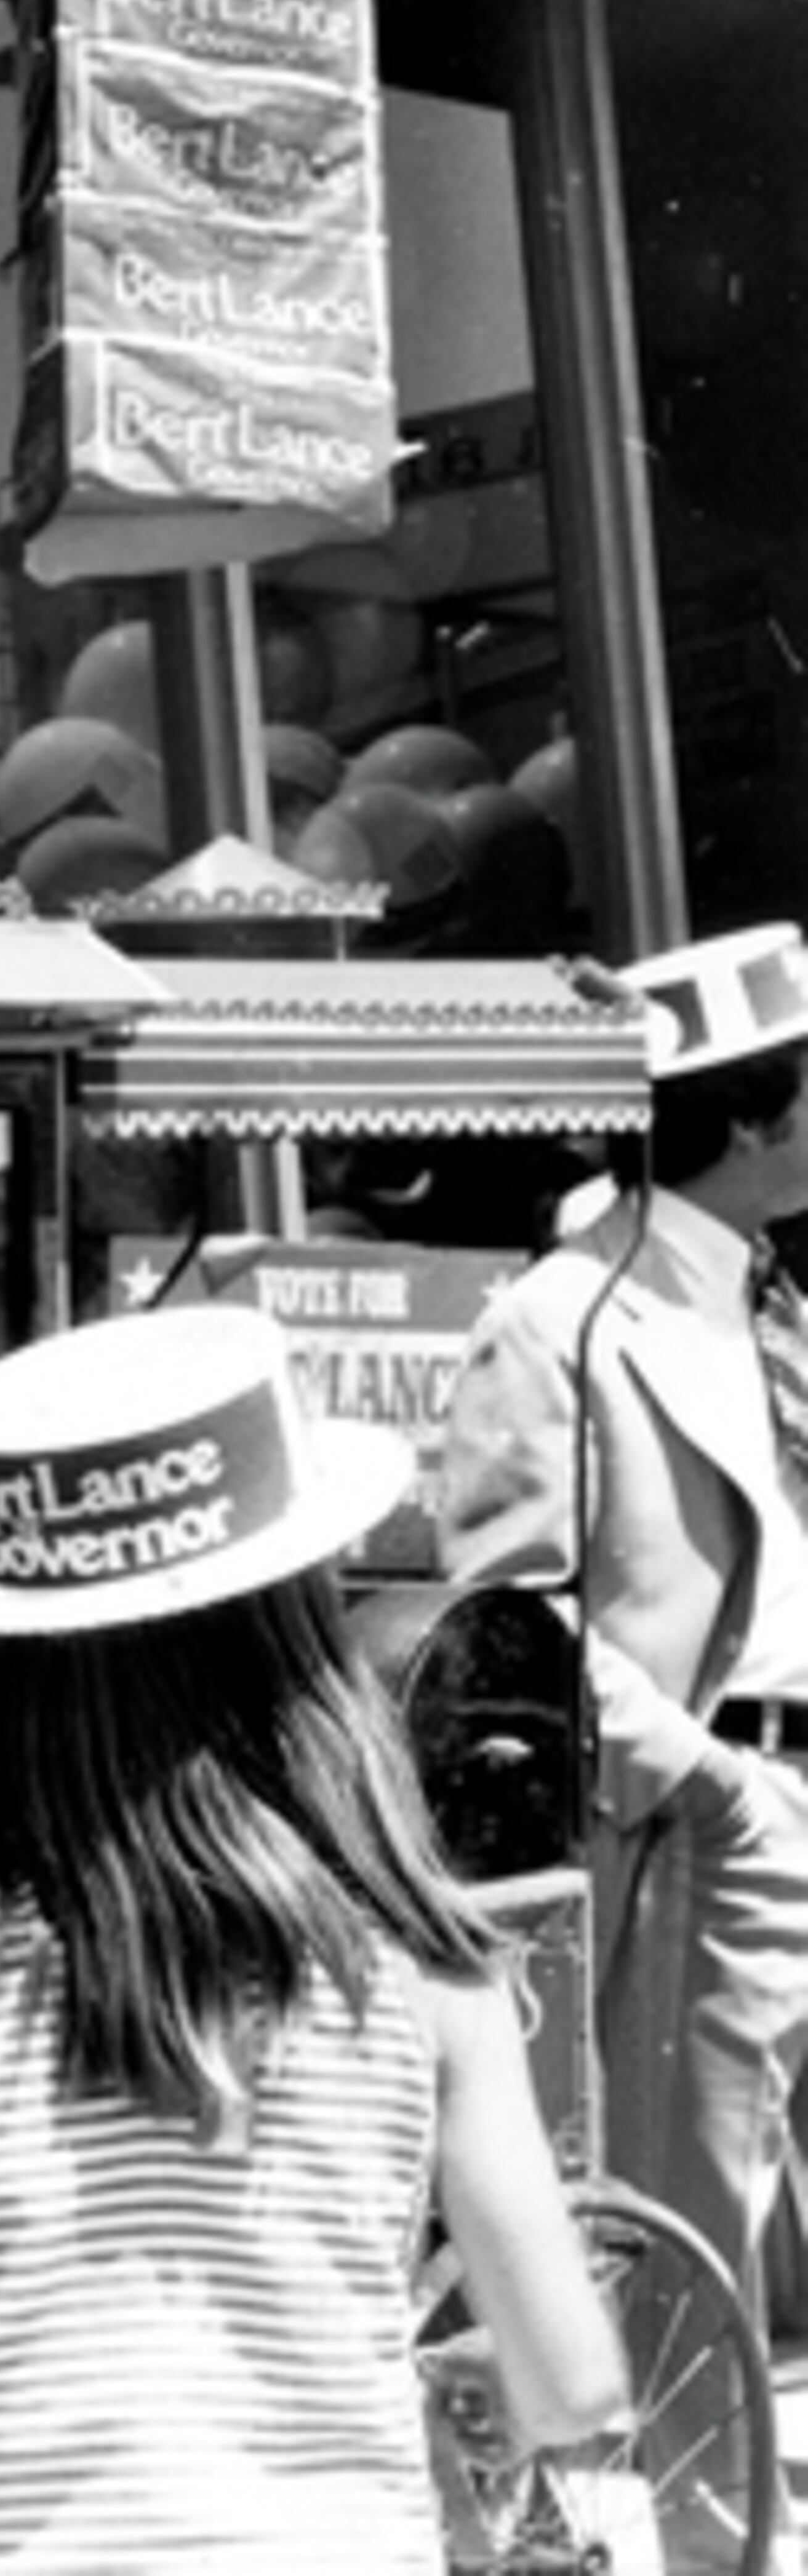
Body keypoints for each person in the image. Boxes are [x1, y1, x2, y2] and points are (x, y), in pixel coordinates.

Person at [0, 1303, 626, 2576]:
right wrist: (490, 2384)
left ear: (7, 1651)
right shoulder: (418, 1959)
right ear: (300, 1631)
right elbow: (572, 2383)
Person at [438, 920, 808, 2335]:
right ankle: (692, 2487)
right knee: (694, 2232)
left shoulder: (765, 1295)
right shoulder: (560, 1316)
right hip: (715, 1817)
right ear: (755, 1115)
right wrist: (706, 1781)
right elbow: (510, 1617)